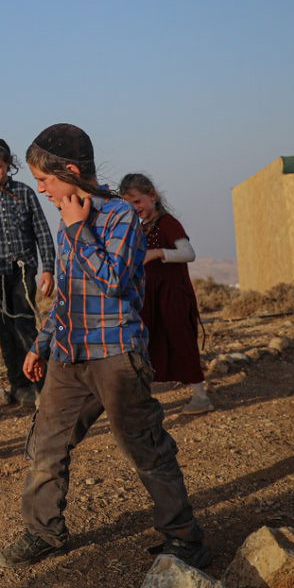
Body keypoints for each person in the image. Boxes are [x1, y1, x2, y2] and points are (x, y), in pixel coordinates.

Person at [0, 123, 211, 569]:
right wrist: (41, 343)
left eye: (46, 180)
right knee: (46, 445)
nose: (41, 189)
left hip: (116, 356)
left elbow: (113, 281)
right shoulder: (66, 220)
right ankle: (44, 533)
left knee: (145, 446)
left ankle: (184, 538)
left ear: (72, 171)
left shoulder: (120, 216)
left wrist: (78, 230)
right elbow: (67, 295)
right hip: (68, 356)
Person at [0, 137, 56, 408]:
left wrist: (48, 269)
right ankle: (19, 386)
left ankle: (43, 386)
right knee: (4, 330)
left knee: (25, 326)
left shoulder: (26, 193)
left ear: (8, 164)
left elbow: (42, 231)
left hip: (22, 269)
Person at [118, 172, 213, 415]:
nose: (135, 208)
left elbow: (188, 253)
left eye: (138, 202)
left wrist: (159, 253)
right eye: (129, 204)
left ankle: (201, 397)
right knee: (150, 342)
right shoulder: (142, 228)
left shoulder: (168, 223)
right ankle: (145, 395)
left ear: (152, 196)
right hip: (149, 296)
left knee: (181, 340)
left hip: (173, 295)